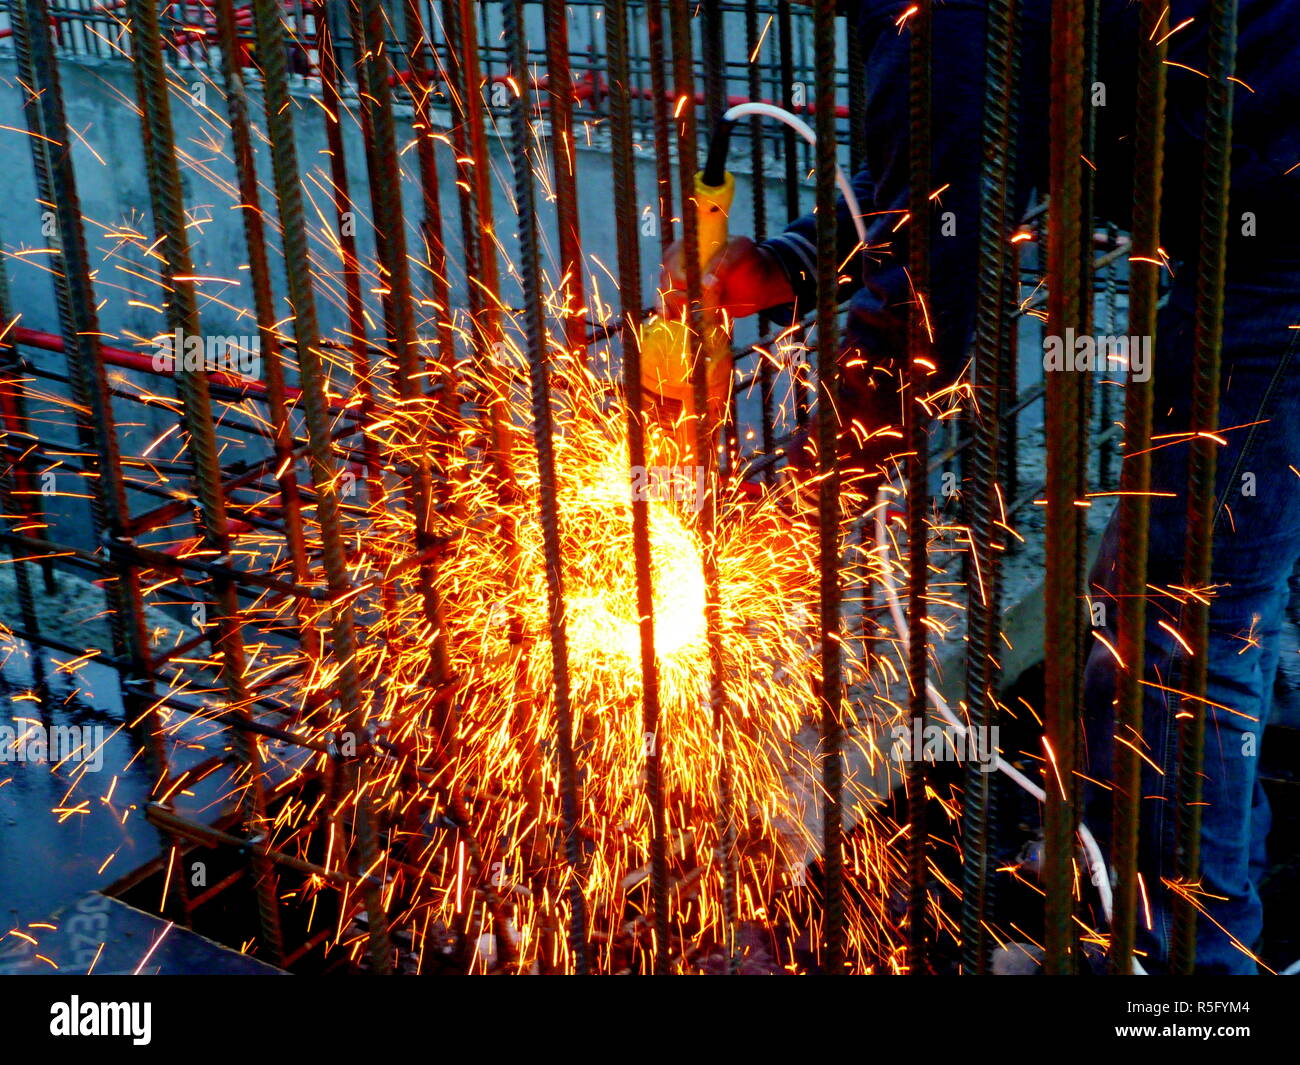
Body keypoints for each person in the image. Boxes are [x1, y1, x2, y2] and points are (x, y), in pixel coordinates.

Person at [661, 0, 1300, 974]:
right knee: (1152, 607)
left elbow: (935, 307)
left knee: (1187, 622)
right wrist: (793, 259)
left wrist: (776, 510)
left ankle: (1193, 976)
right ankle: (1119, 888)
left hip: (1272, 249)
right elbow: (956, 180)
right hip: (1244, 212)